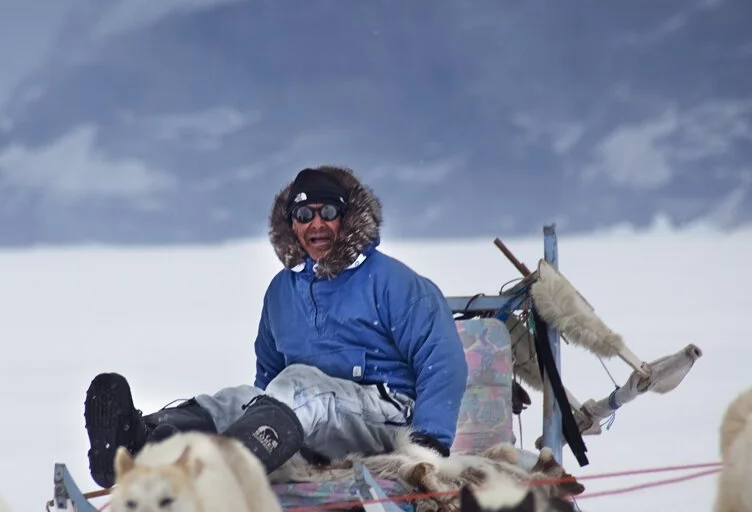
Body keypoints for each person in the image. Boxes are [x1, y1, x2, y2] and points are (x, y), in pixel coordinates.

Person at [83, 165, 470, 489]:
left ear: (347, 218)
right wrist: (255, 418)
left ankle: (228, 468)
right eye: (304, 215)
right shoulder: (282, 292)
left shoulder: (392, 282)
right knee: (238, 399)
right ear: (292, 225)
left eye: (328, 212)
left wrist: (429, 440)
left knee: (300, 385)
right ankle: (143, 441)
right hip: (310, 416)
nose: (317, 223)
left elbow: (442, 359)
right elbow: (269, 377)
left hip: (390, 414)